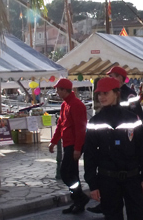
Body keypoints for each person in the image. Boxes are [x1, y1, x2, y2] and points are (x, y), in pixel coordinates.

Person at [84, 77, 143, 220]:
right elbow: (90, 155)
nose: (101, 97)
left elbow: (141, 149)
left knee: (139, 215)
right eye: (99, 94)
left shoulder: (132, 118)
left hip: (132, 177)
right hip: (107, 179)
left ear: (116, 93)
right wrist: (93, 184)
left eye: (105, 93)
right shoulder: (95, 122)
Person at [49, 79, 90, 215]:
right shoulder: (65, 105)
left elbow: (80, 128)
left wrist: (78, 148)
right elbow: (61, 125)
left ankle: (80, 198)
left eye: (59, 89)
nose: (57, 92)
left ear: (64, 90)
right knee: (71, 174)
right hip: (68, 144)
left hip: (73, 144)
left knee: (66, 173)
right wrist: (54, 141)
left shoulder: (76, 105)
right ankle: (78, 200)